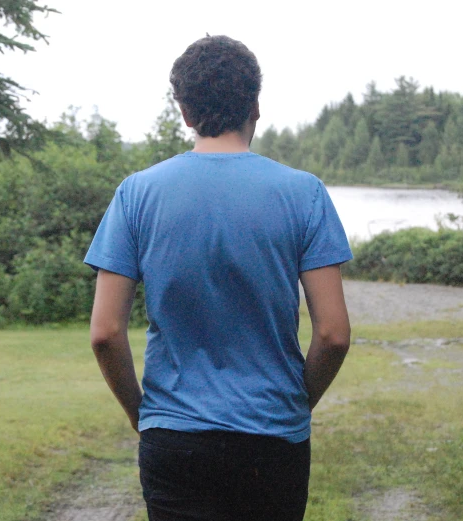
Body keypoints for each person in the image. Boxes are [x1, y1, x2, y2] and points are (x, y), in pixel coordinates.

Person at [84, 35, 352, 521]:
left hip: (174, 438)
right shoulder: (304, 194)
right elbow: (333, 335)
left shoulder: (136, 194)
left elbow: (104, 333)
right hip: (273, 440)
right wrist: (292, 406)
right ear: (255, 106)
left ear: (184, 111)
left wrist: (142, 415)